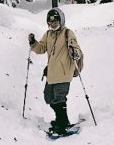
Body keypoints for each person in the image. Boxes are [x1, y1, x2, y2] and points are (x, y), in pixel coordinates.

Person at [28, 7, 83, 135]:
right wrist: (33, 43)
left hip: (64, 73)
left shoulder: (68, 33)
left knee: (59, 98)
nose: (53, 24)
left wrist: (74, 52)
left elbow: (76, 49)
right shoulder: (48, 34)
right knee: (49, 98)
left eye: (56, 21)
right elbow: (41, 49)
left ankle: (63, 124)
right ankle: (60, 120)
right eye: (50, 21)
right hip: (51, 73)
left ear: (61, 20)